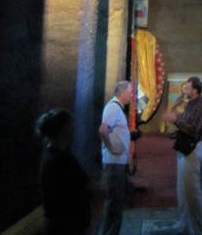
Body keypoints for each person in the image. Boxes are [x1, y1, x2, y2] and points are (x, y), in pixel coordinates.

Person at [163, 76, 202, 235]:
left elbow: (193, 129)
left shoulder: (201, 105)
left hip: (193, 149)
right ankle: (185, 227)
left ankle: (200, 230)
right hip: (184, 148)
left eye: (187, 89)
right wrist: (176, 113)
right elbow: (184, 123)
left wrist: (175, 120)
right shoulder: (189, 104)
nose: (184, 91)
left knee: (192, 192)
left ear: (195, 90)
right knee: (182, 191)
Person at [35, 108, 91, 235]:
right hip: (66, 225)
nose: (73, 128)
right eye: (70, 125)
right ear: (63, 129)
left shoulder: (54, 154)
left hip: (64, 223)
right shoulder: (61, 159)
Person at [97, 80, 132, 235]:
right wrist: (111, 147)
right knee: (114, 204)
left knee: (116, 203)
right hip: (113, 163)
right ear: (122, 92)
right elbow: (103, 130)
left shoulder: (117, 107)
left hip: (117, 162)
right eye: (130, 92)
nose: (132, 95)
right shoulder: (112, 107)